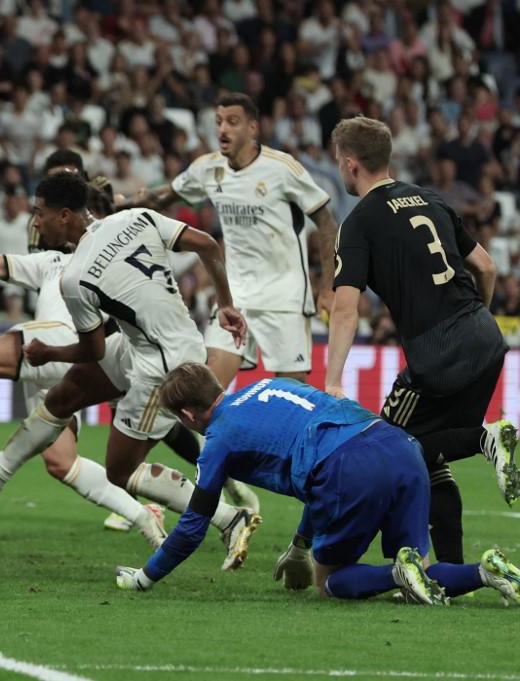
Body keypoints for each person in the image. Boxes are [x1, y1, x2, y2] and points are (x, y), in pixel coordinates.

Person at [0, 172, 262, 570]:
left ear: (66, 215)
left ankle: (228, 518)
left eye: (40, 214)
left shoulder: (75, 278)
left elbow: (91, 347)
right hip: (151, 341)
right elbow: (208, 245)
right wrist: (225, 304)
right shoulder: (136, 218)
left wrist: (48, 351)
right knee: (66, 395)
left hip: (160, 369)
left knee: (119, 471)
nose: (35, 223)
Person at [114, 363, 520, 608]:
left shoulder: (219, 440)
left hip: (349, 467)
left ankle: (397, 575)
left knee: (328, 584)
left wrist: (144, 577)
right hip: (400, 446)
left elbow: (192, 526)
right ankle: (486, 572)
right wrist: (299, 545)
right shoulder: (272, 385)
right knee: (424, 568)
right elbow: (317, 455)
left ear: (186, 414)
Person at [325, 116, 520, 567]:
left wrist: (333, 380)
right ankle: (451, 572)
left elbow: (345, 307)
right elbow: (486, 267)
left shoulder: (358, 223)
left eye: (339, 161)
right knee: (432, 459)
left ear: (351, 164)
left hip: (438, 353)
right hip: (485, 338)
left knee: (390, 446)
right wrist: (476, 323)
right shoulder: (431, 199)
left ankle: (486, 438)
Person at [119, 93, 339, 392]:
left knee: (292, 397)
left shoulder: (282, 168)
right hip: (235, 296)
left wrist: (327, 288)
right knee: (207, 390)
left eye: (232, 122)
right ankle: (213, 441)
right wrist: (124, 204)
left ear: (252, 128)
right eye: (219, 122)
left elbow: (326, 222)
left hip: (284, 296)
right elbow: (162, 196)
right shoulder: (208, 168)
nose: (223, 129)